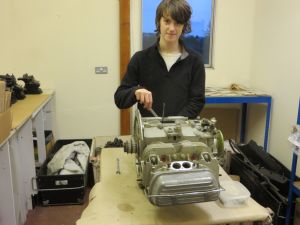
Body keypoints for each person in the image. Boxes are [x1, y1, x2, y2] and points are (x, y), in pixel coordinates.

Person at [114, 0, 205, 118]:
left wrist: (174, 124)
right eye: (167, 21)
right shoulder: (140, 59)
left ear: (184, 26)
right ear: (158, 22)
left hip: (181, 132)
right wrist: (135, 92)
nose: (172, 28)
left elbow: (197, 101)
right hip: (149, 133)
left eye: (177, 23)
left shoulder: (195, 61)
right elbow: (119, 98)